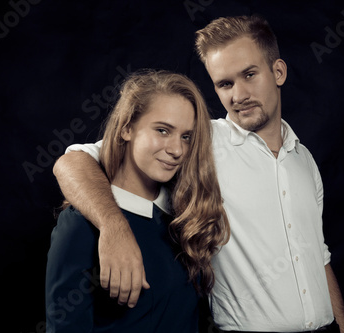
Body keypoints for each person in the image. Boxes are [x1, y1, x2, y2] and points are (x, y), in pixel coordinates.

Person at [53, 15, 344, 333]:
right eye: (225, 84)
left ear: (278, 72)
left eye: (249, 75)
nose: (238, 95)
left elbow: (318, 256)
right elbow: (70, 163)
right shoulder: (198, 142)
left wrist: (343, 327)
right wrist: (114, 227)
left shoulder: (304, 160)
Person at [45, 70, 230, 332]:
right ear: (127, 128)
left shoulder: (182, 216)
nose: (177, 150)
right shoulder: (80, 225)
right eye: (163, 130)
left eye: (186, 136)